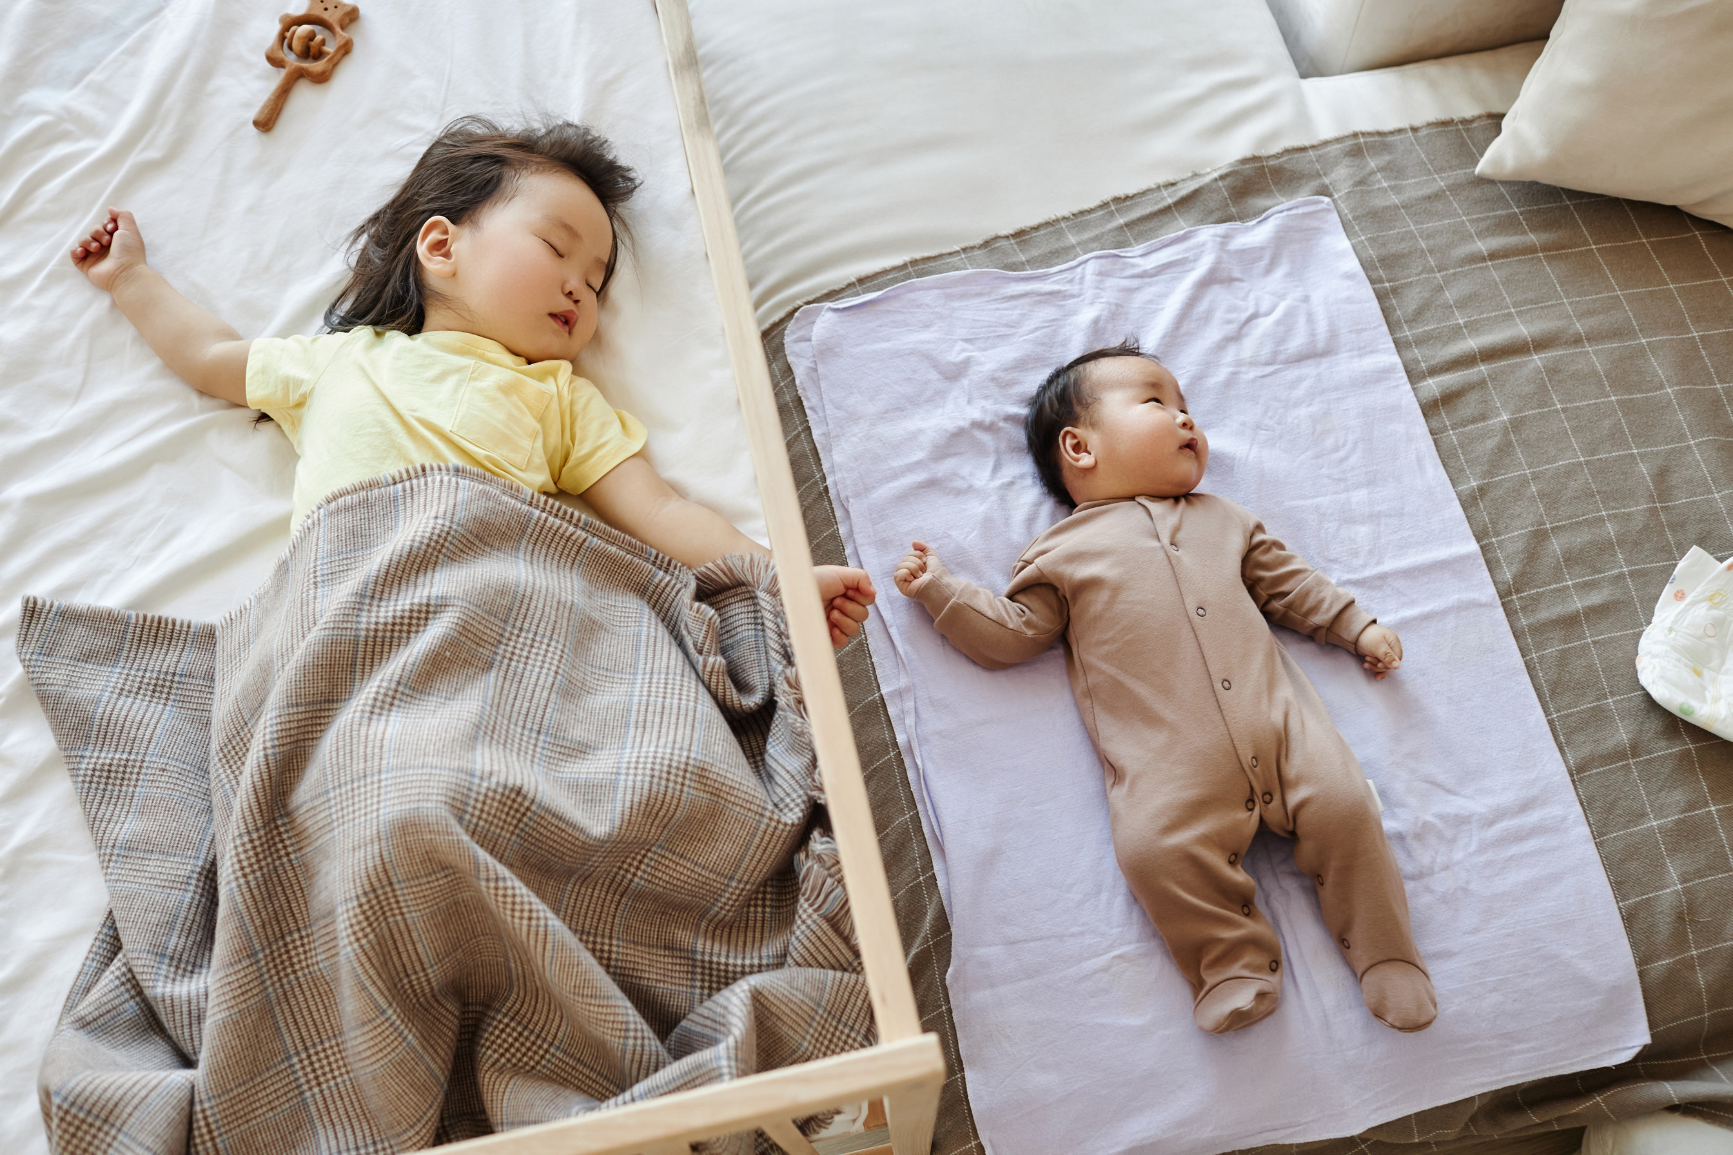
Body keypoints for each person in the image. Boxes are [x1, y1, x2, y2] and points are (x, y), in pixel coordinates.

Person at [69, 116, 874, 648]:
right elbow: (212, 358)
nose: (578, 290)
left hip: (494, 612)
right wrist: (131, 279)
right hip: (351, 613)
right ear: (441, 246)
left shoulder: (559, 399)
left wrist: (778, 582)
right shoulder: (342, 360)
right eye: (556, 248)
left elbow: (661, 511)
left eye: (595, 283)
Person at [893, 341, 1435, 1034]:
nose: (1187, 421)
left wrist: (1355, 627)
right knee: (1153, 850)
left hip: (1282, 726)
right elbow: (1014, 633)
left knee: (1345, 807)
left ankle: (1387, 953)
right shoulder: (1060, 553)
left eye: (1187, 409)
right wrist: (941, 590)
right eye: (1157, 402)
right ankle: (1229, 962)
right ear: (1079, 448)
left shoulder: (1224, 519)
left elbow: (1290, 587)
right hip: (1168, 761)